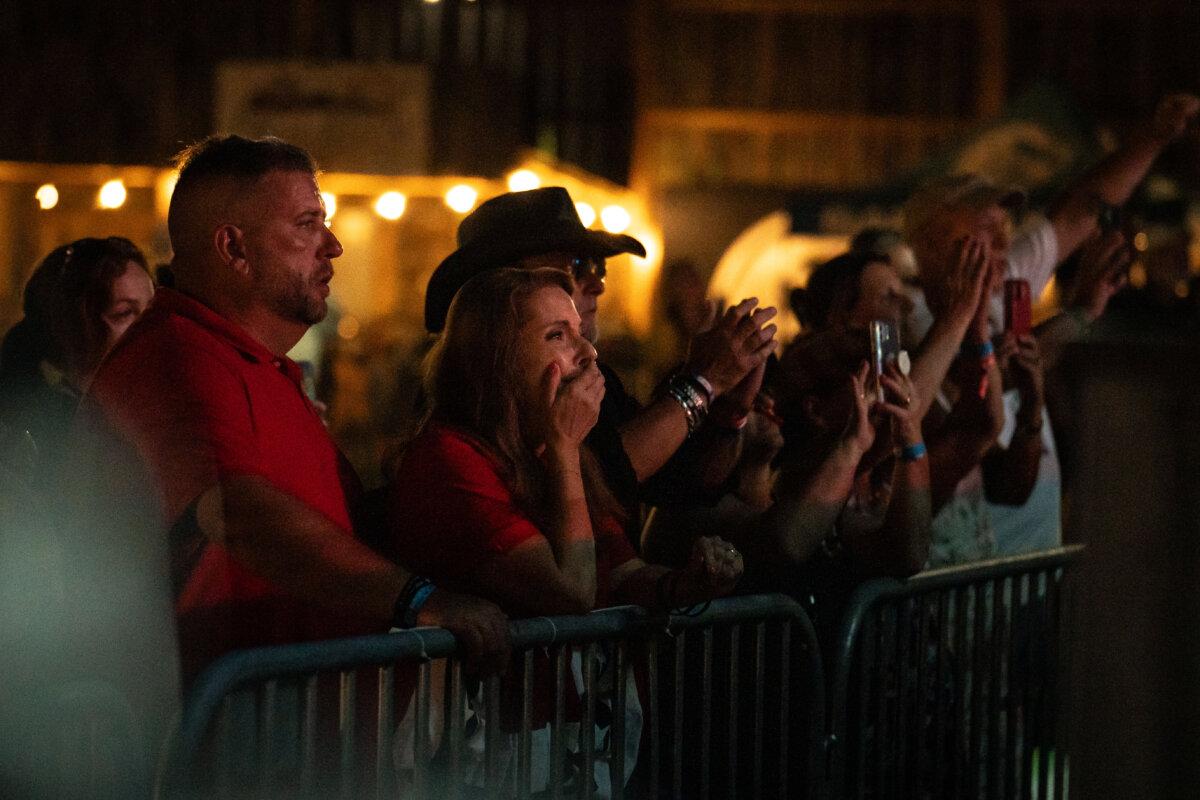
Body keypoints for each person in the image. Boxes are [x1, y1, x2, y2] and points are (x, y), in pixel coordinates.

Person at [84, 135, 510, 685]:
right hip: (230, 746)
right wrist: (420, 599)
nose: (332, 246)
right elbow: (238, 511)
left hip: (292, 736)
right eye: (307, 225)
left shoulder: (259, 367)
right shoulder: (176, 360)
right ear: (234, 249)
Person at [388, 267, 742, 794]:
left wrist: (685, 583)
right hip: (477, 760)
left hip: (552, 748)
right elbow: (571, 591)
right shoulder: (450, 458)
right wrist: (564, 450)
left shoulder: (549, 454)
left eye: (579, 330)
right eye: (557, 335)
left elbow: (619, 571)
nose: (588, 352)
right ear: (497, 358)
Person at [423, 187, 777, 549]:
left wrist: (729, 412)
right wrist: (704, 382)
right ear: (503, 288)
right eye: (576, 267)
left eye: (599, 267)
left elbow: (686, 484)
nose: (599, 284)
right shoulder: (466, 404)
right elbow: (608, 478)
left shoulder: (597, 379)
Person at [0, 237, 153, 483]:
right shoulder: (32, 437)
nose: (150, 327)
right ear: (71, 326)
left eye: (152, 310)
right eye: (125, 313)